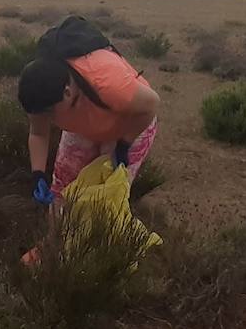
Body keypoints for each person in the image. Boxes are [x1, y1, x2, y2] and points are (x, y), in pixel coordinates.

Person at [17, 30, 160, 206]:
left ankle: (102, 232)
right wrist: (38, 174)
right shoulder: (39, 95)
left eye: (50, 114)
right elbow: (38, 133)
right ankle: (59, 232)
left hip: (129, 124)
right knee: (62, 190)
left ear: (67, 93)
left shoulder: (108, 85)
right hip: (82, 126)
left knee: (108, 197)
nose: (47, 119)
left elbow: (151, 104)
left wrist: (124, 144)